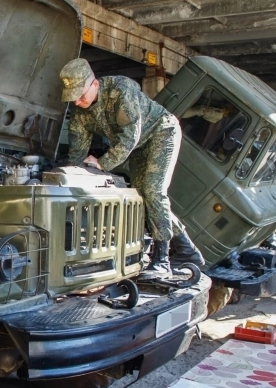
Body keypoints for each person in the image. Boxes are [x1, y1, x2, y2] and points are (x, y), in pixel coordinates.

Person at [59, 58, 203, 279]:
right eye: (73, 98)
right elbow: (77, 152)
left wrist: (101, 164)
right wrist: (71, 176)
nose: (77, 102)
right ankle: (187, 250)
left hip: (161, 132)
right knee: (143, 197)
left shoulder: (121, 89)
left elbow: (129, 137)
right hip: (138, 146)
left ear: (94, 84)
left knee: (153, 192)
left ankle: (161, 260)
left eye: (81, 95)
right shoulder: (81, 112)